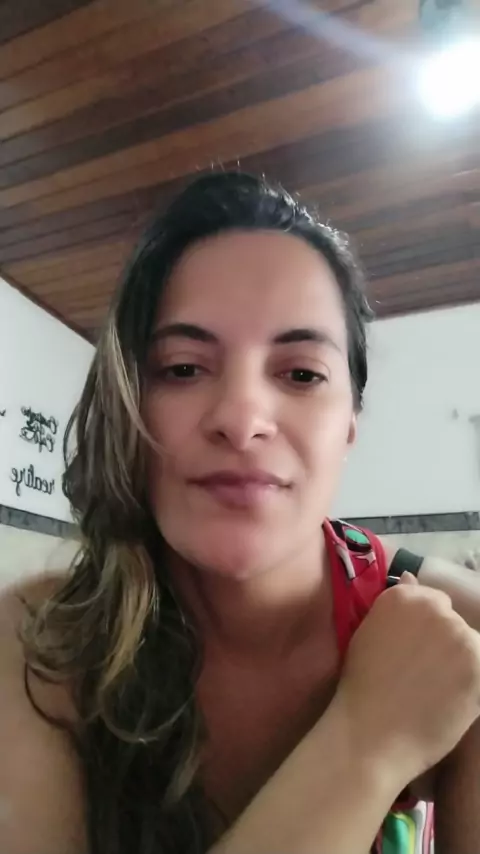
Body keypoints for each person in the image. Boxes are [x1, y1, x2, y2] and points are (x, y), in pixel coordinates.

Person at [2, 171, 480, 854]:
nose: (241, 418)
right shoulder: (37, 644)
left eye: (302, 373)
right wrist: (368, 741)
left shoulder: (463, 635)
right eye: (182, 368)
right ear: (129, 404)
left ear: (350, 422)